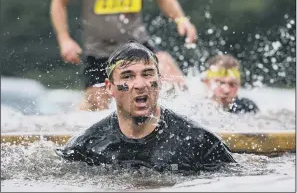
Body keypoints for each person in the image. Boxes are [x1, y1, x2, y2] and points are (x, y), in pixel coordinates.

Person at [56, 41, 236, 171]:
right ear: (110, 87)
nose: (140, 84)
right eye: (127, 76)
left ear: (160, 82)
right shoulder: (86, 146)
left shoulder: (199, 141)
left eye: (148, 74)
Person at [50, 0, 197, 110]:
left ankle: (191, 110)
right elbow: (59, 2)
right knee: (97, 104)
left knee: (170, 74)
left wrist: (181, 19)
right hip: (99, 52)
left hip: (138, 44)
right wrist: (64, 38)